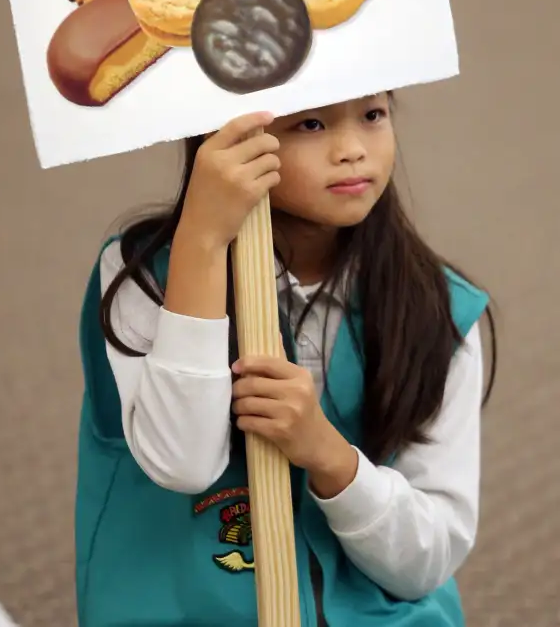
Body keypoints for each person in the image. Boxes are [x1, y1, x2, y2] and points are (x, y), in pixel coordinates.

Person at [75, 95, 496, 627]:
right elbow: (184, 462)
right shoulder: (140, 274)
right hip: (194, 610)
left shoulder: (439, 310)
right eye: (312, 123)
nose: (351, 151)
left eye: (373, 115)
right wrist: (202, 244)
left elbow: (427, 560)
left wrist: (329, 457)